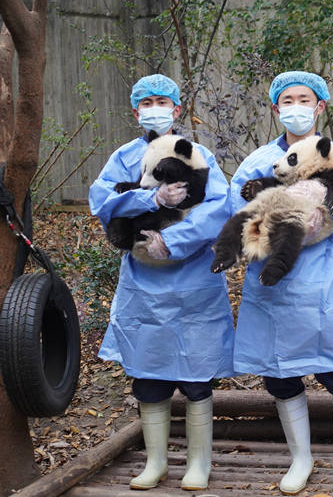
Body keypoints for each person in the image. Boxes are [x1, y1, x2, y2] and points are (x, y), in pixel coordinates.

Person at [229, 71, 333, 495]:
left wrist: (326, 203)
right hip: (275, 280)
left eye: (305, 99)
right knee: (280, 374)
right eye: (287, 101)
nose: (296, 107)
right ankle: (301, 459)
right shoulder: (259, 162)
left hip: (330, 277)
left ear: (320, 107)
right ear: (276, 109)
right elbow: (237, 210)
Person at [89, 74, 235, 491]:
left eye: (162, 101)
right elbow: (101, 201)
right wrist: (149, 199)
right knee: (148, 377)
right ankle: (155, 463)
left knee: (196, 378)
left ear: (176, 108)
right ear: (136, 110)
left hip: (194, 283)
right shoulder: (123, 156)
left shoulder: (197, 153)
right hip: (144, 286)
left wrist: (171, 241)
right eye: (147, 101)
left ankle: (198, 463)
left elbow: (219, 208)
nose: (155, 107)